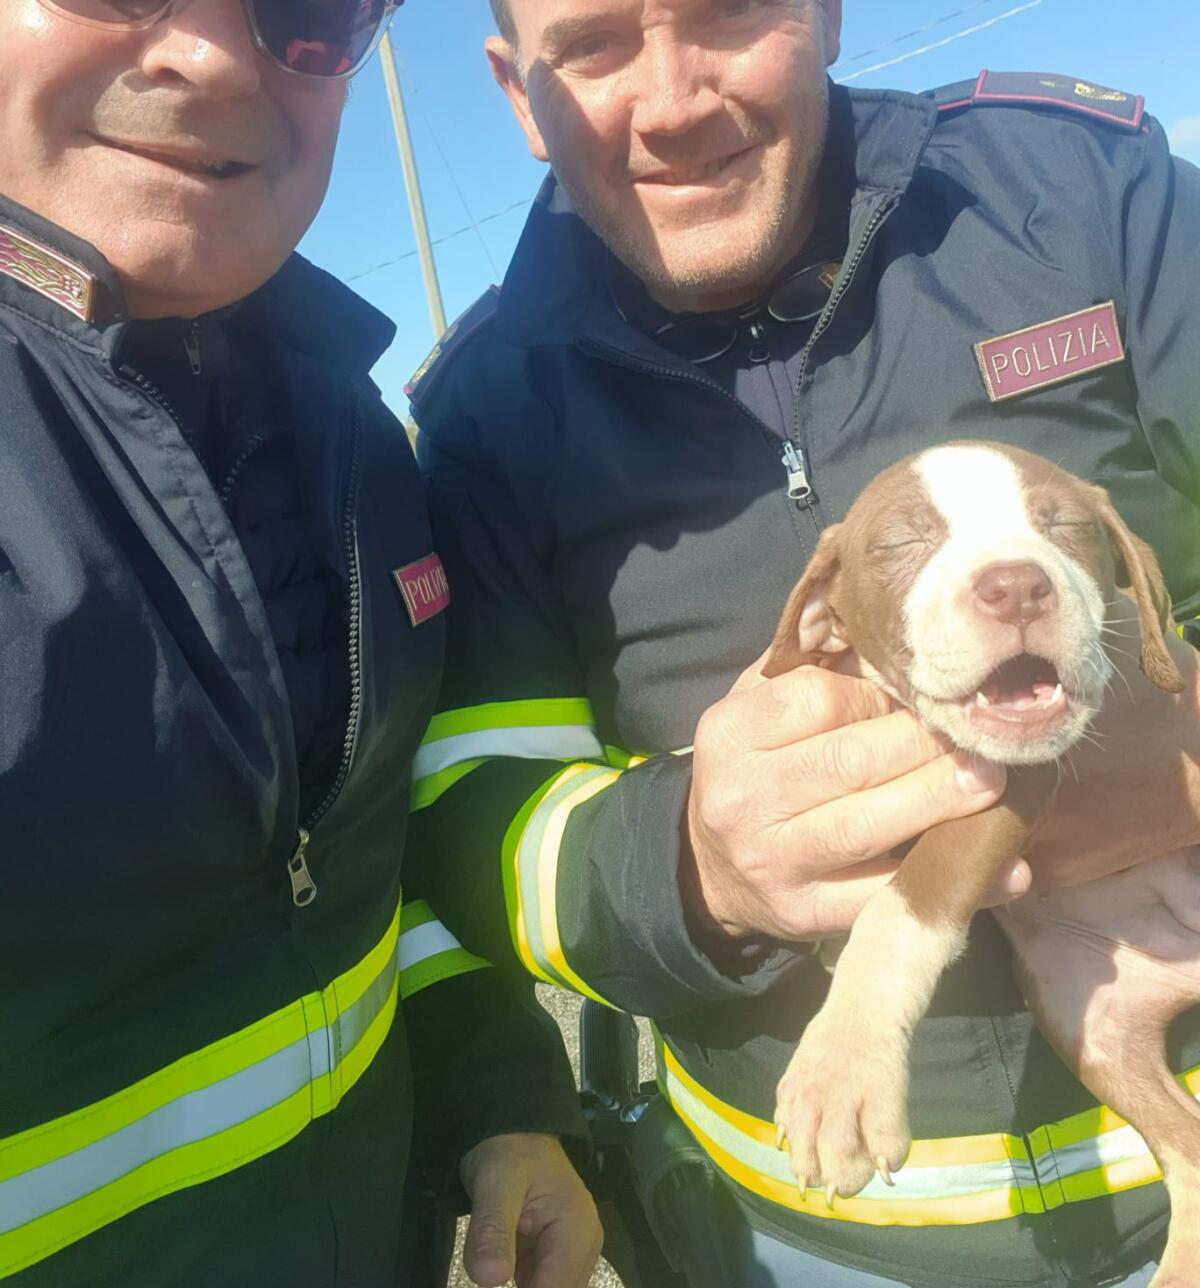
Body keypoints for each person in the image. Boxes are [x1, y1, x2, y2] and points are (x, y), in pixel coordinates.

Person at [406, 0, 1200, 1284]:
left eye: (723, 14)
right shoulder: (490, 411)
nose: (672, 100)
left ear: (824, 15)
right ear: (515, 89)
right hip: (791, 1236)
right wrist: (691, 869)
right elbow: (468, 817)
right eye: (596, 45)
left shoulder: (1085, 193)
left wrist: (1175, 717)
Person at [0, 1, 606, 1285]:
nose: (218, 55)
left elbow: (360, 875)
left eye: (310, 13)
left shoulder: (358, 432)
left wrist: (497, 1106)